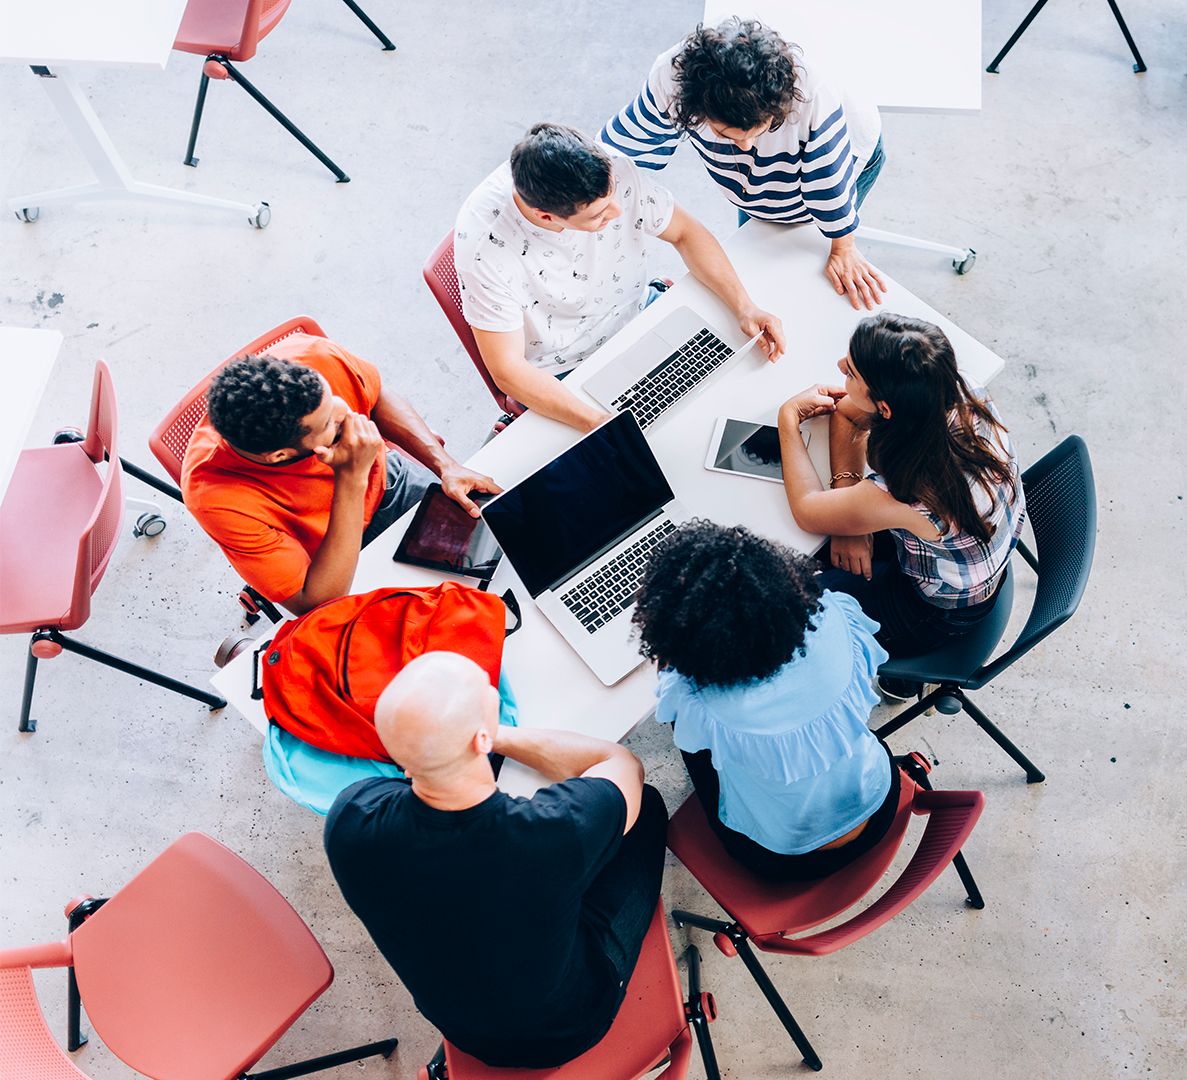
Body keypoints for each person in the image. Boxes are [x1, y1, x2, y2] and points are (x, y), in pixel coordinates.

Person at [324, 652, 667, 1069]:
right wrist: (492, 734)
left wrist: (450, 740)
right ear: (481, 739)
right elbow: (622, 764)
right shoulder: (552, 833)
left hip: (463, 1030)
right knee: (645, 809)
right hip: (569, 1027)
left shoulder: (349, 820)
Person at [452, 122, 786, 432]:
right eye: (599, 215)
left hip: (640, 314)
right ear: (546, 216)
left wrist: (745, 306)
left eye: (613, 195)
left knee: (745, 392)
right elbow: (507, 369)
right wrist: (601, 424)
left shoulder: (611, 167)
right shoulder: (486, 248)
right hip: (566, 369)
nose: (617, 211)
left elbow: (685, 232)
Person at [633, 521, 902, 881]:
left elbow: (678, 703)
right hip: (880, 800)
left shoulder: (698, 703)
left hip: (785, 857)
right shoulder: (837, 614)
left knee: (683, 729)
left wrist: (673, 667)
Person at [776, 313, 1023, 677]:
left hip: (934, 613)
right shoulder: (956, 390)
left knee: (783, 611)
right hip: (967, 562)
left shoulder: (915, 489)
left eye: (852, 373)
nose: (840, 366)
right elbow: (846, 416)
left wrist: (787, 419)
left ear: (887, 409)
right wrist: (851, 521)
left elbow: (807, 510)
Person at [182, 335, 499, 616]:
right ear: (281, 456)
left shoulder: (314, 355)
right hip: (328, 560)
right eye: (332, 427)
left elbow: (374, 395)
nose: (349, 417)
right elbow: (316, 601)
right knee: (438, 620)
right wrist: (352, 478)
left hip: (390, 484)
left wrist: (445, 465)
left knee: (499, 558)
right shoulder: (214, 497)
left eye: (335, 400)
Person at [602, 18, 889, 311]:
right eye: (726, 135)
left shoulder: (813, 95)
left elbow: (829, 186)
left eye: (757, 133)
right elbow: (619, 151)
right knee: (755, 247)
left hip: (844, 154)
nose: (746, 148)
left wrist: (843, 247)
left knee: (794, 267)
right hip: (773, 165)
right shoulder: (671, 77)